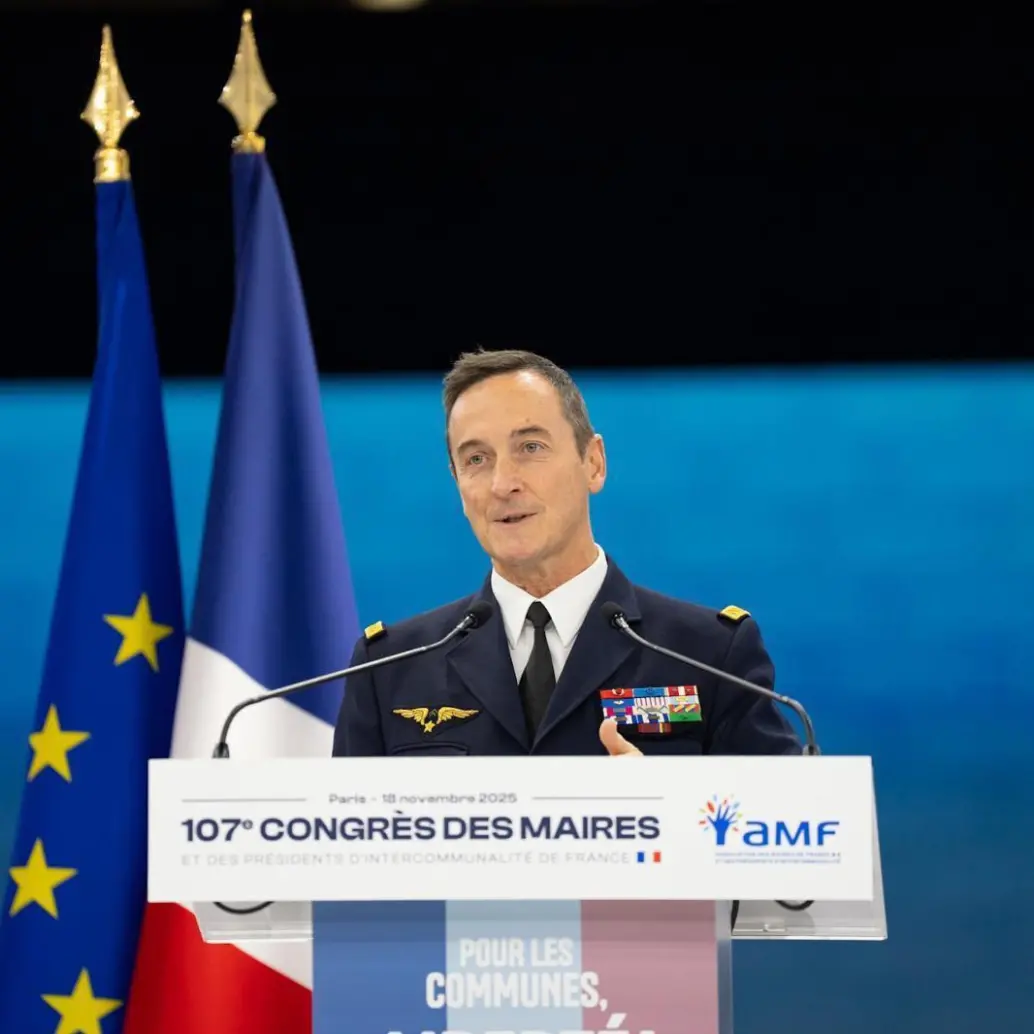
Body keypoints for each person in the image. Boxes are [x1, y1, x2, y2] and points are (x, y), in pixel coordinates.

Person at [332, 349, 802, 758]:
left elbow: (784, 835)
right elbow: (345, 851)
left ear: (593, 463)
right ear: (457, 482)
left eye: (530, 447)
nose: (502, 484)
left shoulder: (710, 656)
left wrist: (671, 808)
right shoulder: (391, 668)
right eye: (477, 459)